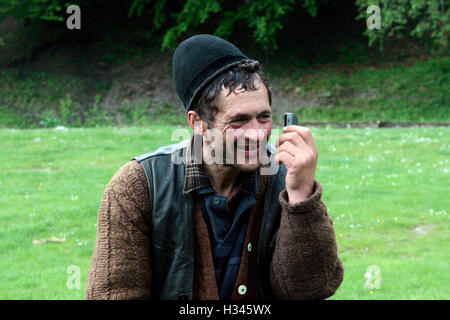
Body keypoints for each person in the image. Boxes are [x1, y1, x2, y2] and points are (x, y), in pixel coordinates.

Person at [85, 34, 344, 300]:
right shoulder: (138, 186)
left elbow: (309, 290)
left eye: (263, 117)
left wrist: (301, 196)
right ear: (197, 123)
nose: (257, 135)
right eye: (238, 121)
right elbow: (115, 293)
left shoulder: (282, 177)